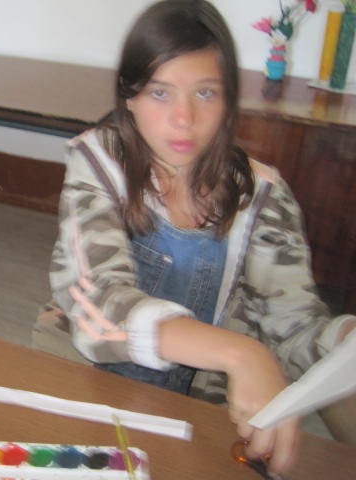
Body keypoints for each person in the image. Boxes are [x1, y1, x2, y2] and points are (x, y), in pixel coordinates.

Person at [33, 0, 356, 475]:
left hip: (203, 403)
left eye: (205, 92)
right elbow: (98, 301)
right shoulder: (98, 162)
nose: (183, 117)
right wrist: (241, 353)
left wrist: (343, 340)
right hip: (88, 377)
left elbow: (293, 328)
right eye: (160, 93)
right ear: (129, 96)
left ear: (228, 100)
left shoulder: (264, 196)